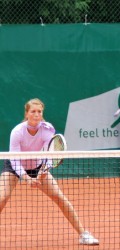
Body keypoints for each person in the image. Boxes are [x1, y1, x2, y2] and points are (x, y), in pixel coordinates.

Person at [0, 98, 99, 245]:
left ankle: (84, 234)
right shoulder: (17, 132)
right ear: (27, 114)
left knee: (59, 198)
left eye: (39, 111)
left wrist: (44, 171)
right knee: (2, 197)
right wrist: (26, 177)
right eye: (33, 111)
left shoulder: (47, 129)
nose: (36, 114)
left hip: (38, 165)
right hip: (15, 165)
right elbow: (15, 159)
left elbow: (49, 153)